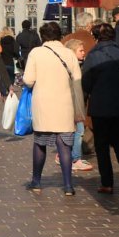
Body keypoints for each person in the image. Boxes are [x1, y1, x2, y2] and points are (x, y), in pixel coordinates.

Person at [23, 21, 85, 196]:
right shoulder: (69, 53)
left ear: (43, 36)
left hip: (43, 104)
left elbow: (28, 79)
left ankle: (36, 181)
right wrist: (79, 108)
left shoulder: (36, 53)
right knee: (64, 145)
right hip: (65, 104)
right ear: (60, 35)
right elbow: (77, 80)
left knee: (40, 143)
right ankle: (68, 185)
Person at [82, 22, 119, 194]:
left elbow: (86, 82)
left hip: (101, 107)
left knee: (102, 146)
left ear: (96, 37)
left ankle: (107, 182)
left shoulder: (93, 55)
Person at [59, 39, 93, 172]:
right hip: (73, 103)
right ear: (72, 52)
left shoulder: (78, 65)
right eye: (81, 50)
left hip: (74, 103)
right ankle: (75, 159)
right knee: (78, 131)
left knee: (72, 131)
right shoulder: (75, 67)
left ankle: (65, 155)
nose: (84, 53)